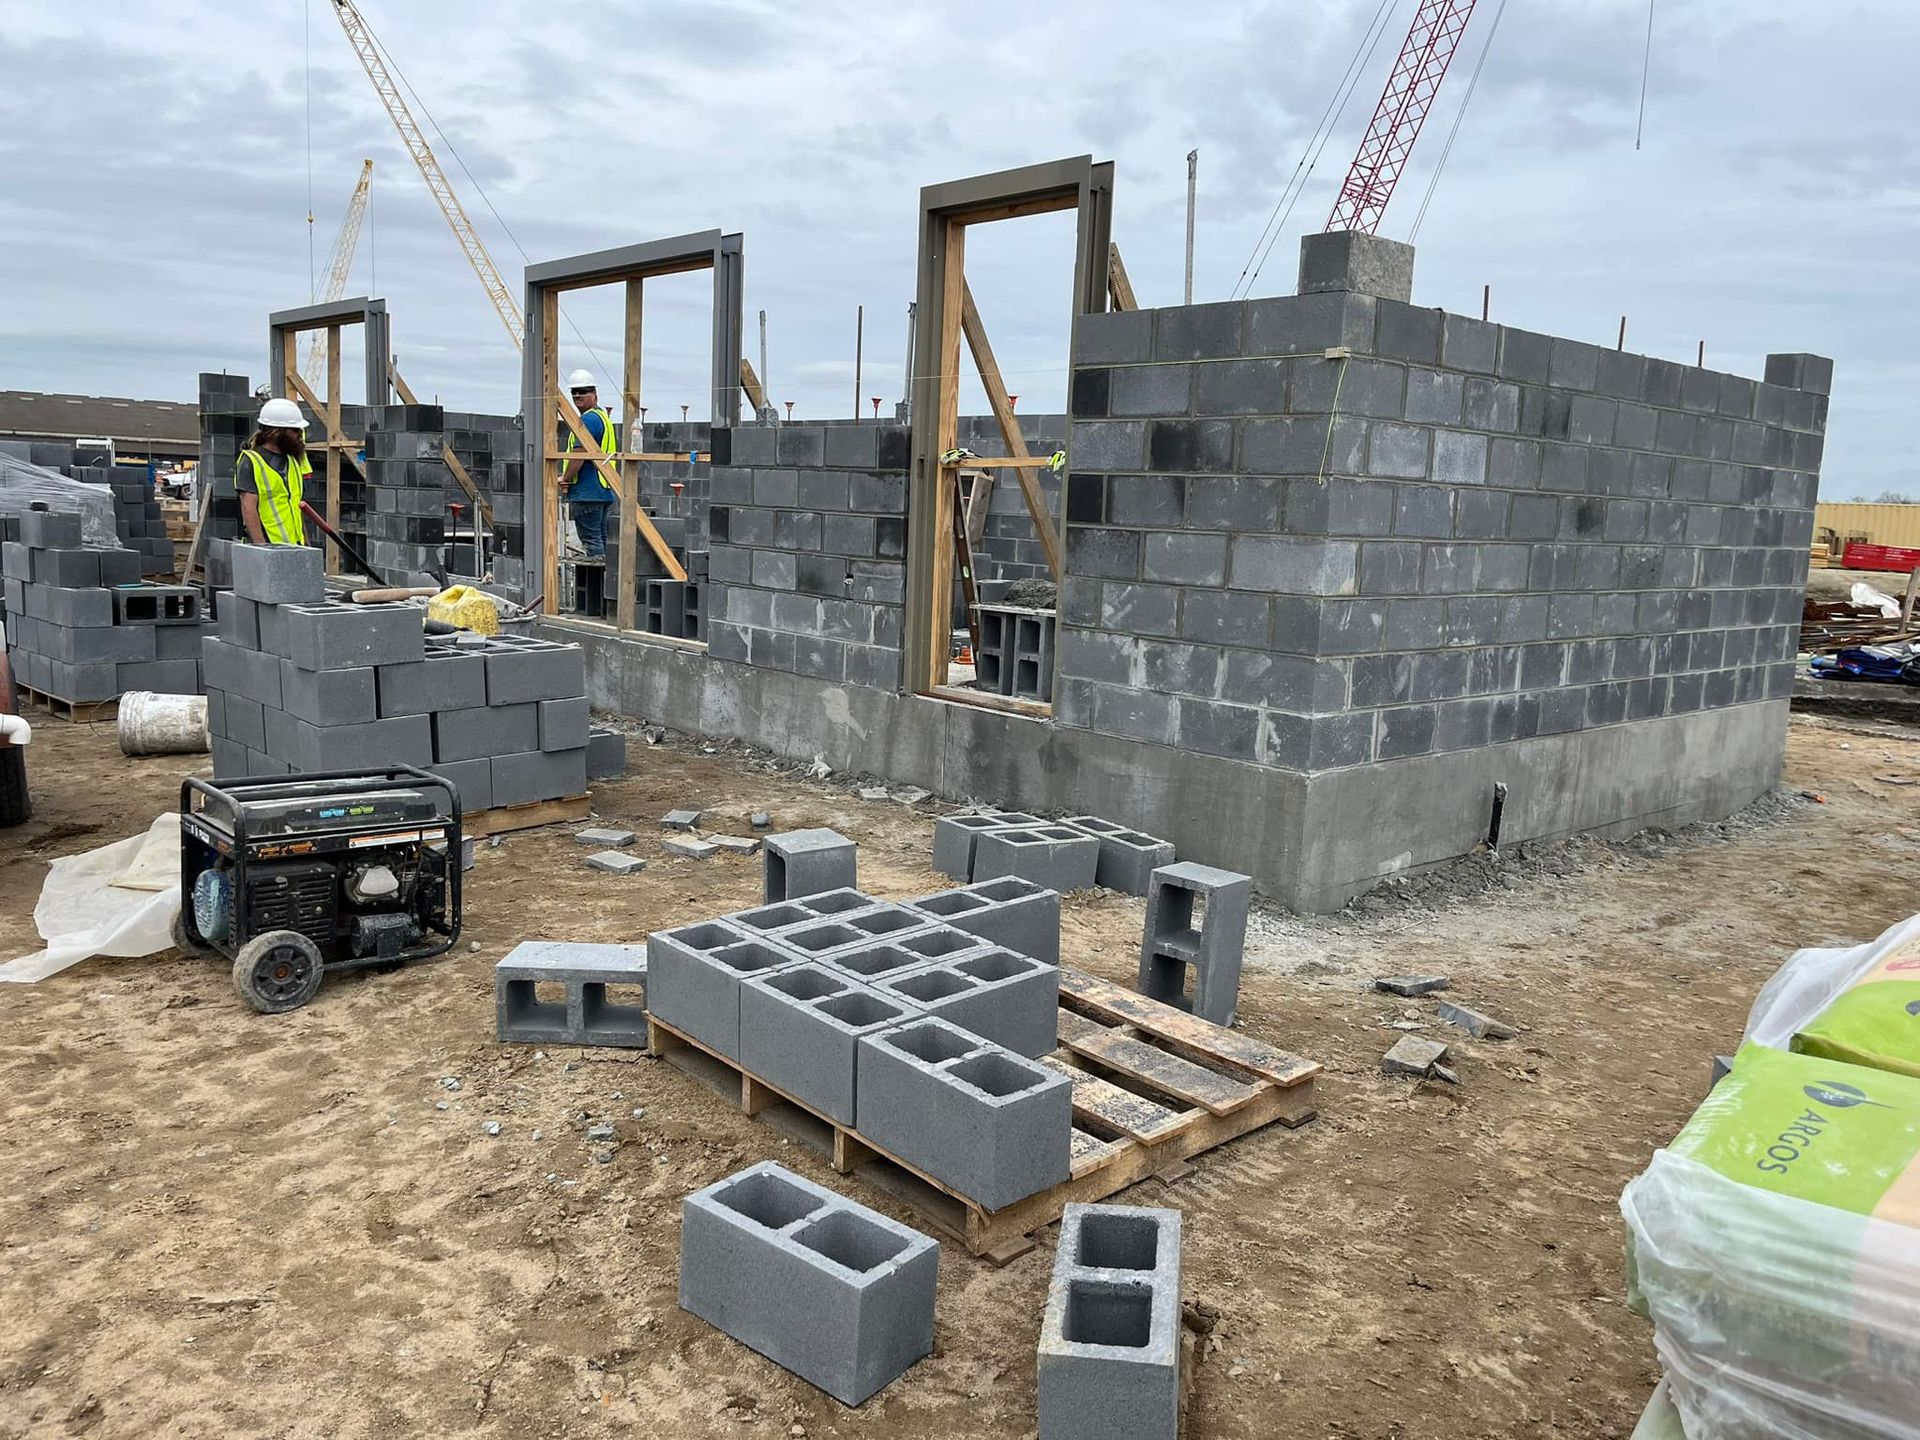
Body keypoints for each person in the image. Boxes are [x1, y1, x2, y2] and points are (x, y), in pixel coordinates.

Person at [235, 397, 311, 546]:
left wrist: (306, 545)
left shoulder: (292, 461)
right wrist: (263, 550)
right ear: (276, 432)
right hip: (270, 546)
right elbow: (249, 508)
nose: (299, 436)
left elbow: (295, 507)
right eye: (295, 430)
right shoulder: (251, 462)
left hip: (295, 546)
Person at [557, 369, 617, 556]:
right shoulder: (602, 417)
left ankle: (596, 583)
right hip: (602, 491)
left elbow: (579, 454)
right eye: (574, 392)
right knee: (601, 540)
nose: (577, 396)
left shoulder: (588, 419)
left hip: (587, 493)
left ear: (594, 395)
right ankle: (606, 582)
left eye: (583, 391)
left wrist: (564, 477)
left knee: (592, 544)